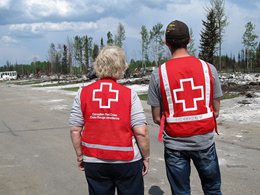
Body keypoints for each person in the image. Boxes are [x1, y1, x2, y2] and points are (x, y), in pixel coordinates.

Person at [147, 20, 222, 195]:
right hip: (204, 142)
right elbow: (215, 109)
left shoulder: (158, 74)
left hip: (175, 145)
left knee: (180, 192)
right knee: (212, 189)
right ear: (189, 40)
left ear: (166, 42)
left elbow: (157, 117)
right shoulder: (208, 69)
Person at [69, 45, 150, 195]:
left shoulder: (82, 93)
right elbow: (141, 131)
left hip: (94, 160)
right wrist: (146, 157)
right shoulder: (129, 94)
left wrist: (80, 155)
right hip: (127, 161)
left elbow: (75, 129)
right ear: (120, 67)